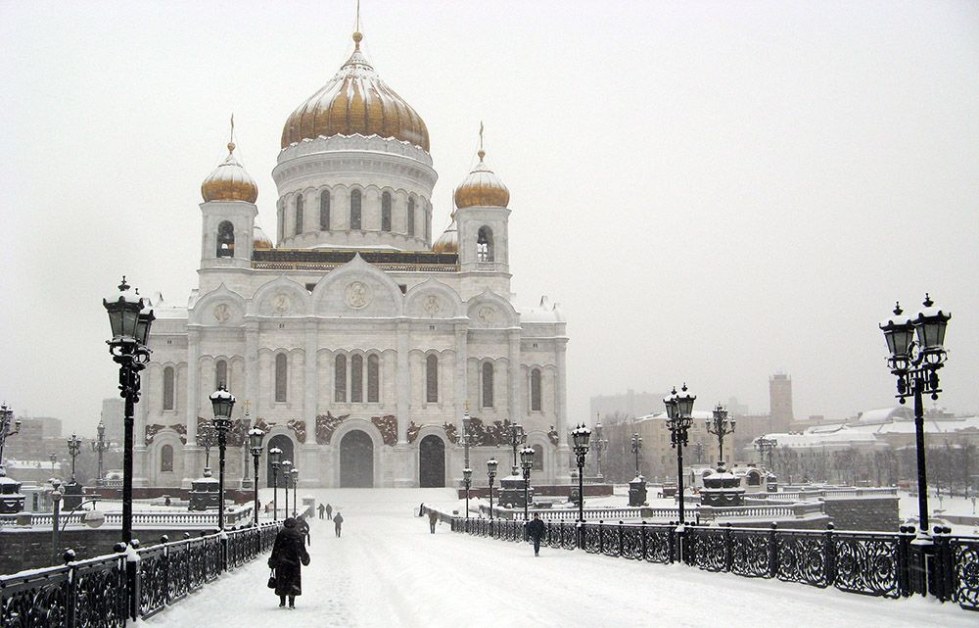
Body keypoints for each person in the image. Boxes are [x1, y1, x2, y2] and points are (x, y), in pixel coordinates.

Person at [268, 517, 310, 609]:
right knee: (293, 581)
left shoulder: (281, 534)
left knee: (282, 581)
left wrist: (273, 560)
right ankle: (291, 603)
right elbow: (301, 549)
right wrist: (305, 558)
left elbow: (276, 549)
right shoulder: (297, 535)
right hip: (294, 562)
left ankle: (282, 602)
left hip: (281, 562)